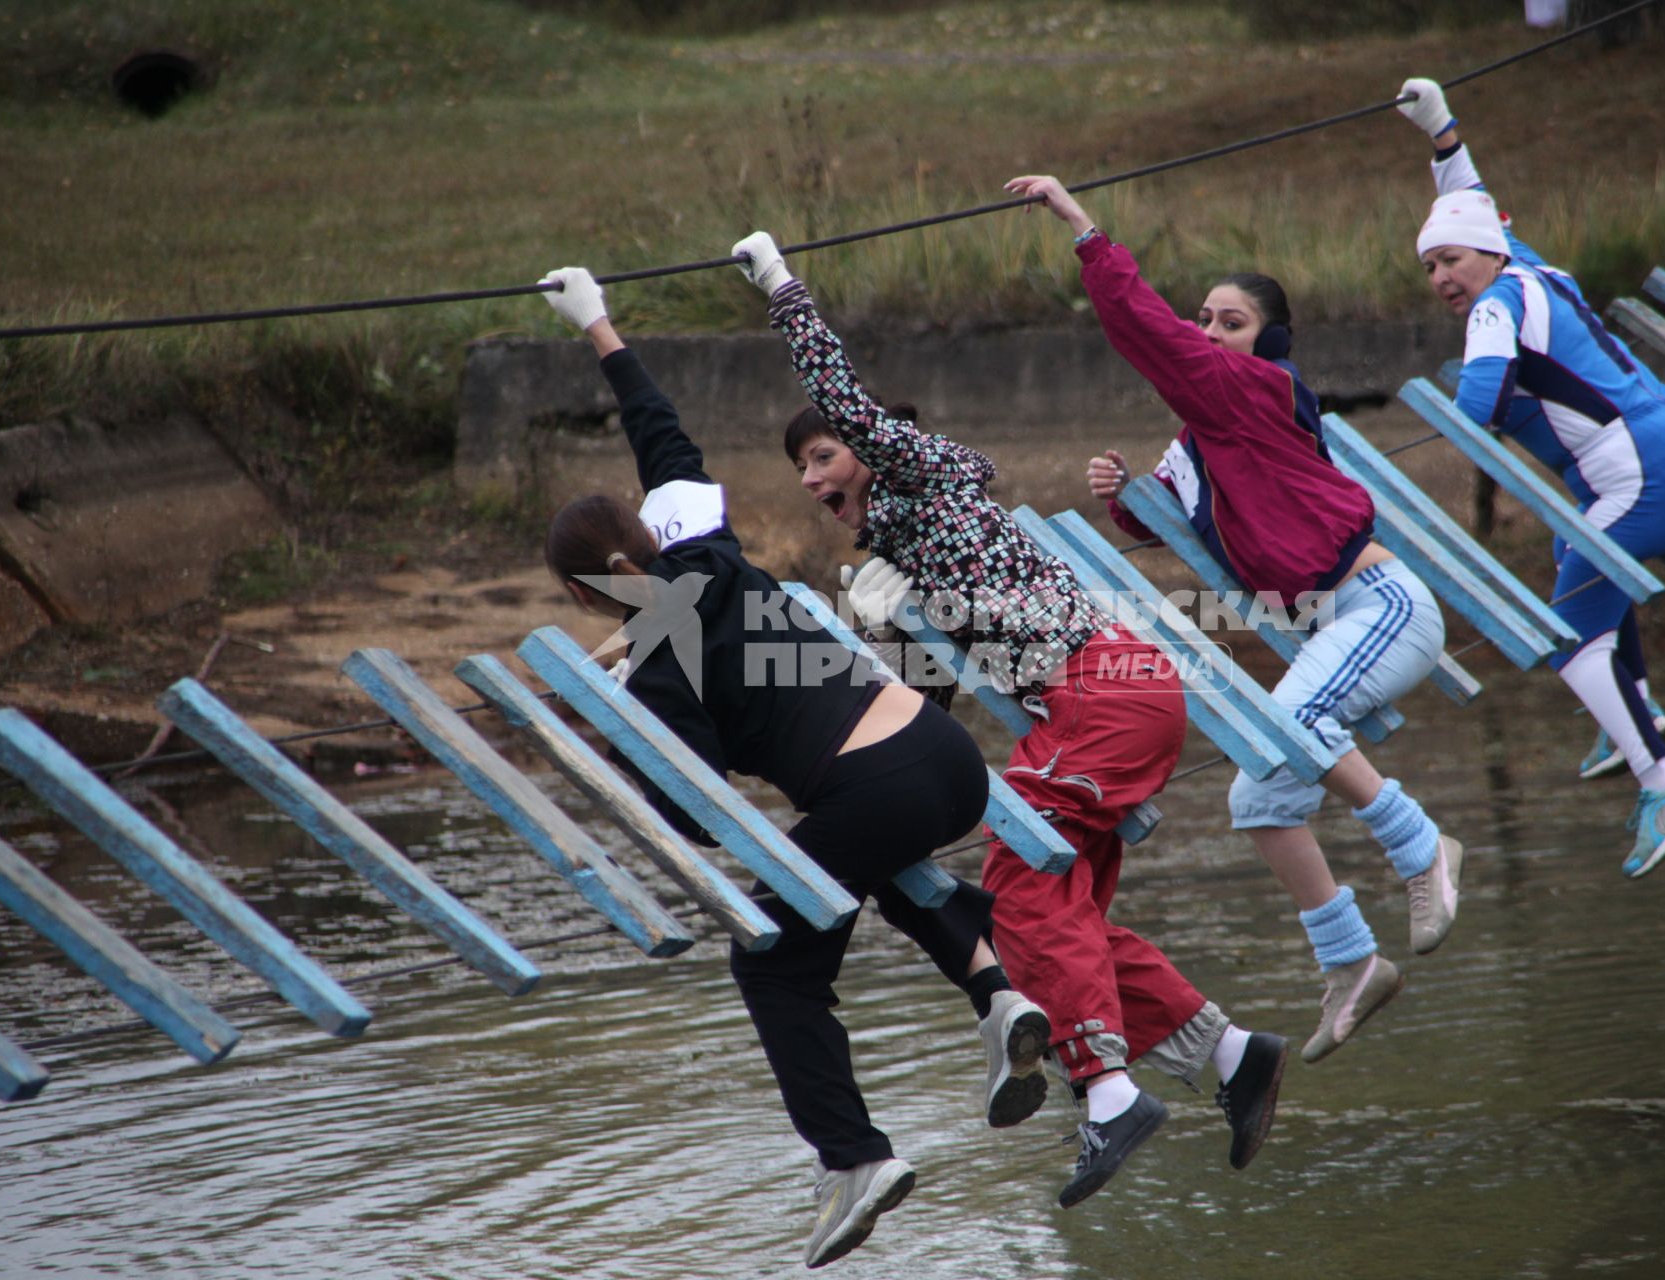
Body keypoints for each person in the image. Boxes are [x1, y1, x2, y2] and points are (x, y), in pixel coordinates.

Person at [731, 232, 1288, 1208]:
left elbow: (851, 402)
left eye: (822, 455)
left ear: (865, 445)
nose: (815, 482)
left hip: (1102, 687)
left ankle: (1111, 1095)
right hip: (1103, 696)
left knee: (1020, 882)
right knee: (1047, 917)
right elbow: (914, 716)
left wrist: (782, 288)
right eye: (802, 472)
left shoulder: (920, 472)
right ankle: (1232, 1054)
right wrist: (862, 658)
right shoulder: (904, 553)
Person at [536, 266, 1051, 1270]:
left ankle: (854, 1157)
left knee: (769, 955)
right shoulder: (709, 555)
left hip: (874, 782)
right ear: (651, 532)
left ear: (583, 594)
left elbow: (694, 812)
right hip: (945, 757)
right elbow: (661, 429)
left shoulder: (653, 668)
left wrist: (613, 727)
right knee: (871, 866)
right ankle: (1002, 996)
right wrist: (595, 318)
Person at [1002, 174, 1464, 1066]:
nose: (1211, 333)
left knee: (1288, 725)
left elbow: (1153, 338)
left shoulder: (1263, 390)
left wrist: (1082, 228)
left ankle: (1421, 846)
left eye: (1230, 322)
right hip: (1336, 624)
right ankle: (1352, 961)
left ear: (1267, 343)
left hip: (1384, 607)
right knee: (1255, 793)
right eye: (1204, 318)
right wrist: (1125, 505)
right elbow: (1192, 515)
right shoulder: (1200, 434)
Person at [1395, 77, 1665, 877]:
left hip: (1650, 478)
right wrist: (1440, 130)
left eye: (1450, 260)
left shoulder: (1494, 305)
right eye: (1429, 266)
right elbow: (1472, 197)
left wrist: (1479, 381)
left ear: (1488, 253)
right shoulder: (1535, 270)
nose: (1442, 275)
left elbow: (1476, 401)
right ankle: (1635, 707)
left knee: (1568, 633)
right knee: (1573, 551)